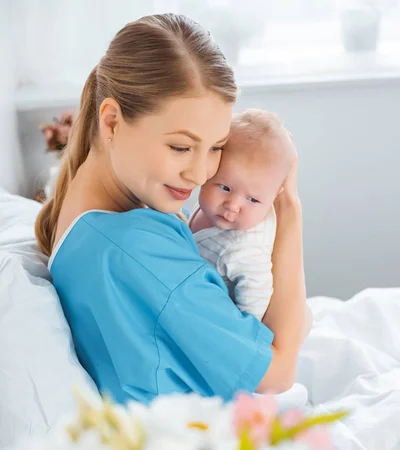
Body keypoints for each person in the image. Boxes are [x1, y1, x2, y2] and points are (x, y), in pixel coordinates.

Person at [35, 13, 308, 405]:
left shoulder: (87, 211)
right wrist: (289, 210)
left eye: (215, 147)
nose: (200, 174)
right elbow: (278, 373)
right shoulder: (136, 251)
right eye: (180, 147)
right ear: (111, 121)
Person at [190, 109, 295, 320]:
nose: (233, 205)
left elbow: (255, 305)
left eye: (253, 200)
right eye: (224, 187)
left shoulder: (244, 248)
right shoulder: (207, 207)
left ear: (274, 196)